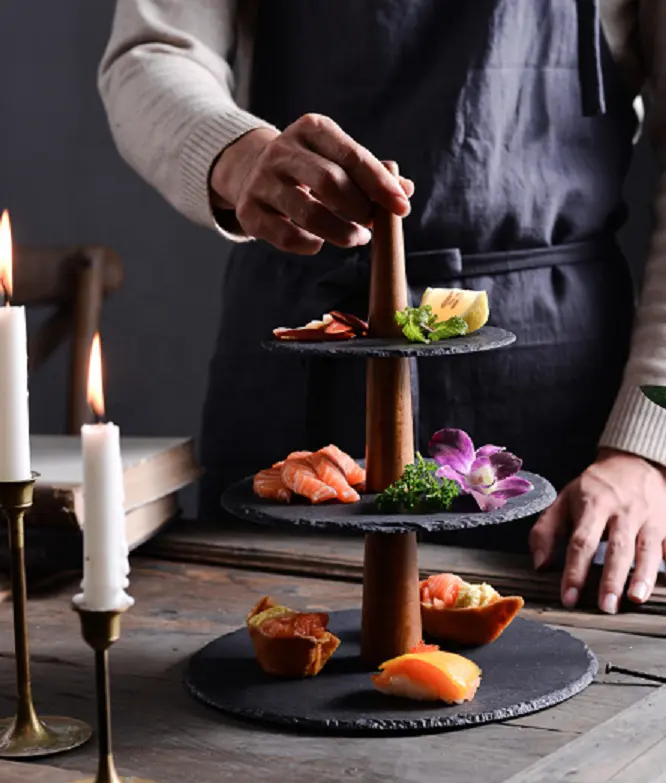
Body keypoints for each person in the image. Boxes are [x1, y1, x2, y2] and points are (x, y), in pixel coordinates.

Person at [99, 0, 666, 614]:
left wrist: (644, 448)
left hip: (556, 374)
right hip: (305, 340)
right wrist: (237, 155)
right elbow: (149, 52)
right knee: (262, 661)